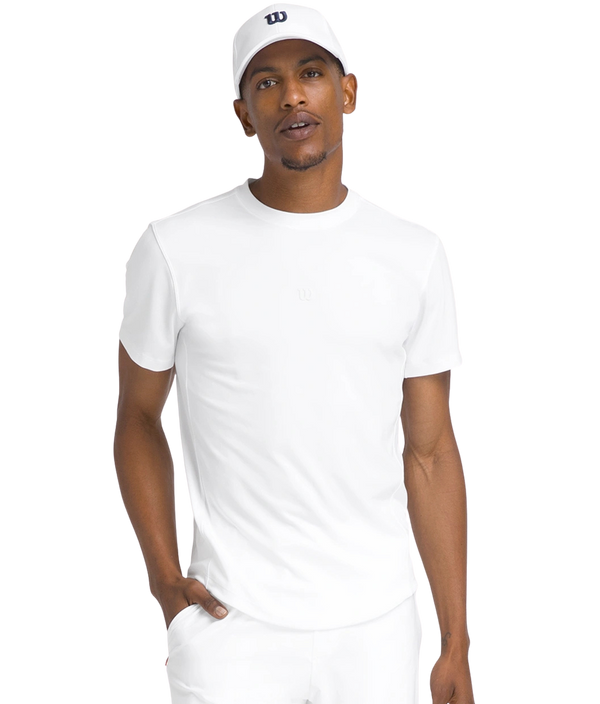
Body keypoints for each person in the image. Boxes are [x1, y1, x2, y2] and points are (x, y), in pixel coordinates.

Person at [112, 2, 475, 702]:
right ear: (243, 116)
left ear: (349, 92)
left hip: (377, 625)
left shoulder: (415, 252)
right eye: (266, 82)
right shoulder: (172, 246)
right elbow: (137, 417)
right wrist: (164, 581)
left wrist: (455, 638)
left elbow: (430, 451)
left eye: (310, 73)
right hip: (227, 624)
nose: (292, 96)